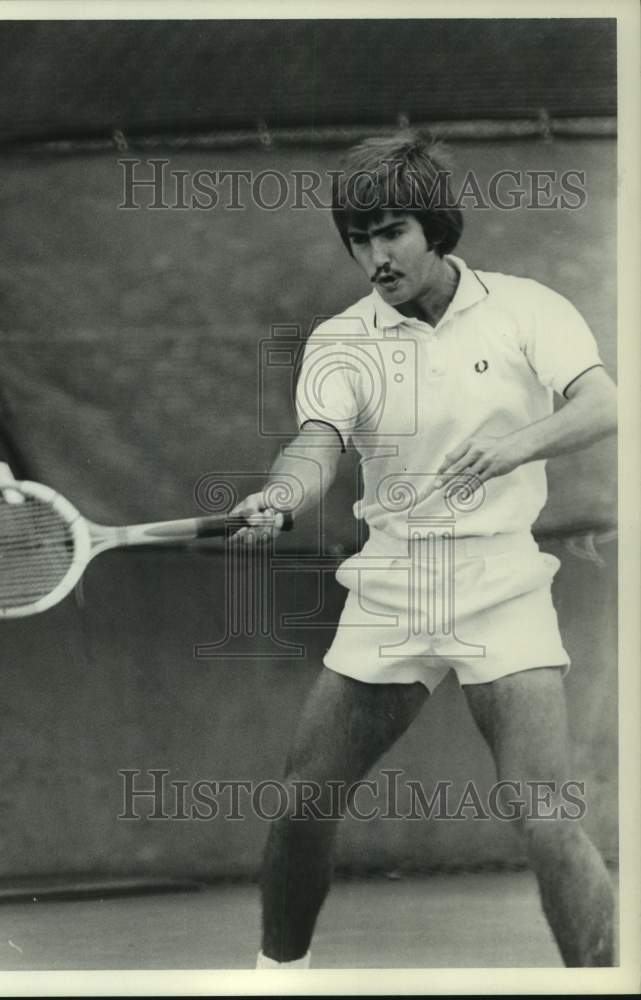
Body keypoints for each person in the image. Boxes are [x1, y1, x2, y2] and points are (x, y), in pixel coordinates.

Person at [234, 132, 617, 968]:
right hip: (393, 588)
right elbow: (316, 444)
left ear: (434, 226)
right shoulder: (341, 340)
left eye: (391, 232)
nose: (375, 256)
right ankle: (274, 979)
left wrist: (514, 447)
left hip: (501, 582)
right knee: (302, 801)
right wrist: (281, 496)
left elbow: (603, 405)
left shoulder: (527, 308)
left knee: (546, 813)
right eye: (358, 239)